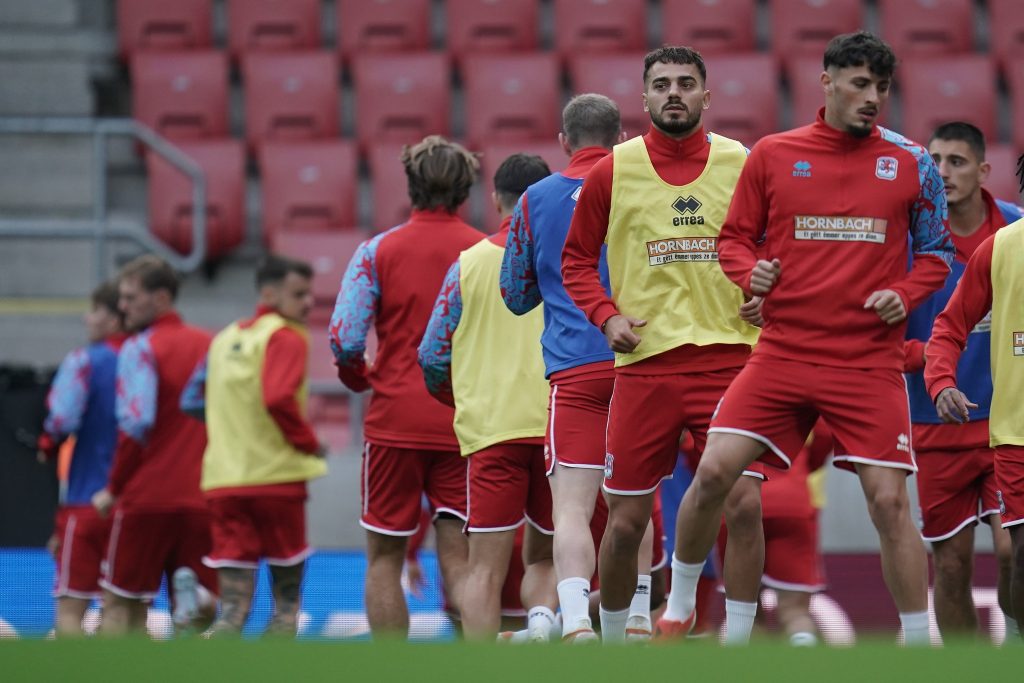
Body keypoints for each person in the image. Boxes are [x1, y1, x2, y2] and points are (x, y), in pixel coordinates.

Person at [669, 31, 954, 647]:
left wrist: (904, 294)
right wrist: (752, 274)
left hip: (867, 362)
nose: (872, 97)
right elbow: (734, 240)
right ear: (826, 83)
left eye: (881, 86)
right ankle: (680, 605)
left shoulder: (912, 164)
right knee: (714, 472)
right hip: (783, 353)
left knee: (889, 503)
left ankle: (916, 639)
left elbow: (937, 254)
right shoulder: (773, 154)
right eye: (859, 84)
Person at [561, 46, 764, 644]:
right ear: (644, 97)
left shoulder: (742, 162)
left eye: (685, 83)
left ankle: (741, 645)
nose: (673, 93)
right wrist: (605, 317)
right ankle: (621, 641)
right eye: (661, 84)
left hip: (731, 362)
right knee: (624, 525)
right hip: (645, 369)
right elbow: (575, 261)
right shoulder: (614, 169)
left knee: (746, 506)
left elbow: (775, 248)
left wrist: (764, 295)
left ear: (707, 95)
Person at [500, 93, 659, 642]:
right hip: (639, 362)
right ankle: (637, 616)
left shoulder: (535, 198)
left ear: (564, 142)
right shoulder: (643, 185)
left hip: (573, 369)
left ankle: (573, 624)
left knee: (571, 508)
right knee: (635, 501)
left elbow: (515, 294)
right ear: (621, 138)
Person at [329, 136, 481, 638]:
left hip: (393, 422)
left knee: (384, 557)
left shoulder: (377, 250)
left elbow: (346, 337)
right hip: (465, 423)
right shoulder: (484, 253)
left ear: (410, 186)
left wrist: (361, 378)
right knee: (460, 557)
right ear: (464, 190)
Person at [418, 153, 555, 641]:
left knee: (483, 571)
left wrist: (461, 401)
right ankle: (542, 630)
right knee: (548, 555)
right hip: (557, 429)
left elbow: (432, 354)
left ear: (495, 199)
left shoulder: (467, 265)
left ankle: (481, 666)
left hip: (491, 431)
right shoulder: (567, 257)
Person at [904, 122, 1023, 639]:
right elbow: (869, 334)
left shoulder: (1013, 232)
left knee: (1011, 550)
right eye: (934, 161)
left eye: (956, 161)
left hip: (1006, 426)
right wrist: (928, 360)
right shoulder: (907, 243)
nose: (944, 172)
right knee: (951, 567)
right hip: (935, 424)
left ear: (983, 169)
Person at [180, 255, 328, 636]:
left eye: (310, 293)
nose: (309, 302)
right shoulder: (286, 336)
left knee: (232, 611)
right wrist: (309, 444)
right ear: (269, 293)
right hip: (276, 481)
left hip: (224, 482)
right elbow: (277, 398)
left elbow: (192, 401)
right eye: (299, 294)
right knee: (285, 609)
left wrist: (233, 430)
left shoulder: (224, 338)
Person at [91, 255, 218, 636]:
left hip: (147, 498)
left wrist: (113, 488)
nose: (123, 306)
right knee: (200, 609)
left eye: (130, 297)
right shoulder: (211, 344)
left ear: (161, 298)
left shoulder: (139, 348)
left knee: (120, 603)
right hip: (202, 495)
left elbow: (136, 425)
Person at [38, 281, 126, 636]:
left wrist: (47, 442)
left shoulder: (85, 361)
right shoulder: (150, 358)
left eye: (94, 311)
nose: (86, 318)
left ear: (112, 317)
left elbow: (61, 420)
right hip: (134, 504)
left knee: (71, 607)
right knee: (122, 608)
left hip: (86, 500)